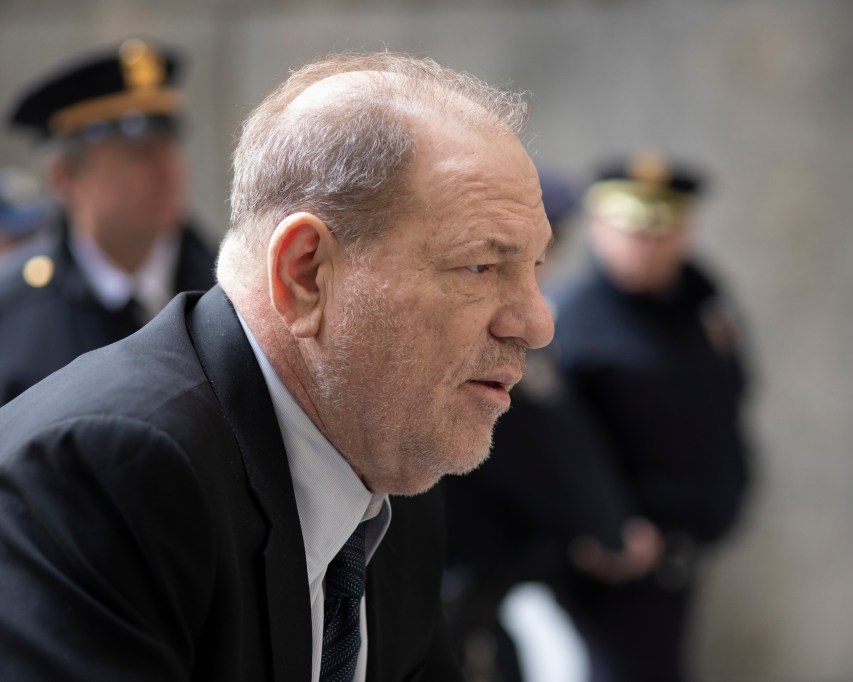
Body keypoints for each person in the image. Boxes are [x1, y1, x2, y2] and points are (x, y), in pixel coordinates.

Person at [0, 50, 554, 681]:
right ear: (305, 273)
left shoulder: (391, 458)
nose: (537, 323)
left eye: (535, 268)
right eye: (480, 266)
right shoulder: (103, 470)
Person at [442, 168, 664, 682]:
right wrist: (609, 532)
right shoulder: (489, 334)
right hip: (455, 570)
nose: (541, 273)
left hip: (490, 576)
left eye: (548, 254)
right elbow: (543, 443)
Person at [551, 151, 755, 682]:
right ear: (599, 226)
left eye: (663, 229)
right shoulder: (574, 322)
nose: (647, 243)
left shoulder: (705, 306)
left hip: (683, 560)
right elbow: (556, 446)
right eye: (631, 228)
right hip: (611, 570)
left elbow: (732, 400)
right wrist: (605, 527)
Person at [0, 38, 216, 405]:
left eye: (169, 145)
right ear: (64, 177)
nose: (167, 169)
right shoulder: (14, 313)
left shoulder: (229, 291)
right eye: (139, 153)